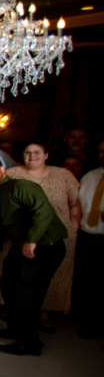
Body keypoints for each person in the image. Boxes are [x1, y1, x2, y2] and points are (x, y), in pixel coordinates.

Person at [0, 158, 68, 355]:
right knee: (8, 284)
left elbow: (42, 211)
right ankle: (15, 329)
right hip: (22, 245)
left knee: (27, 294)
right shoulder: (0, 192)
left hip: (43, 246)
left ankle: (29, 343)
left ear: (3, 169)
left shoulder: (21, 185)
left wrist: (32, 240)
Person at [6, 143, 81, 331]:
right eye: (27, 152)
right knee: (22, 282)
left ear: (46, 155)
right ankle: (19, 321)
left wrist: (74, 227)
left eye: (37, 152)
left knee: (41, 282)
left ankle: (35, 322)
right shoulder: (12, 174)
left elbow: (74, 203)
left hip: (52, 237)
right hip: (23, 238)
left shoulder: (63, 174)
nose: (32, 156)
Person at [74, 143, 104, 339]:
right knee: (89, 283)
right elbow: (78, 204)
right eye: (102, 150)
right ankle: (91, 324)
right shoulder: (91, 176)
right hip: (87, 236)